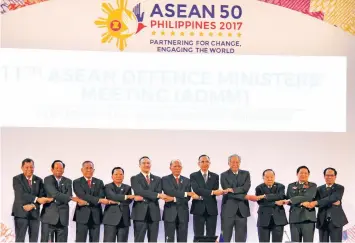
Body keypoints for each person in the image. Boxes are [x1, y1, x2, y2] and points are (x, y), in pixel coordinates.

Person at [41, 160, 87, 242]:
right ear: (52, 169)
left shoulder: (68, 181)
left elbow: (66, 198)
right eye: (57, 168)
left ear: (63, 170)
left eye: (61, 168)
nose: (59, 170)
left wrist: (53, 199)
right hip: (49, 218)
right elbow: (54, 193)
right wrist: (71, 198)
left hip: (63, 219)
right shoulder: (47, 179)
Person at [131, 156, 170, 242]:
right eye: (144, 163)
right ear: (139, 165)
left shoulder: (158, 179)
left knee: (153, 240)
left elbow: (158, 190)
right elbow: (139, 191)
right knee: (138, 239)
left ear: (151, 164)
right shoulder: (134, 178)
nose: (146, 165)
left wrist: (153, 194)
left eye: (148, 163)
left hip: (154, 213)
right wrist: (157, 195)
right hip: (139, 214)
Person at [12, 158, 52, 242]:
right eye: (27, 167)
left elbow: (43, 196)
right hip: (20, 214)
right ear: (22, 168)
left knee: (34, 239)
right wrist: (36, 198)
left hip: (34, 215)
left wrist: (33, 205)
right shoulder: (17, 179)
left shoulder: (39, 180)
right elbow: (21, 194)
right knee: (20, 239)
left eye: (31, 167)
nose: (29, 169)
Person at [162, 159, 200, 242]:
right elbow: (169, 191)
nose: (177, 168)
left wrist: (173, 198)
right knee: (169, 240)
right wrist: (186, 193)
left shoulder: (187, 180)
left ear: (182, 168)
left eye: (179, 166)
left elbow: (187, 199)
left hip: (183, 214)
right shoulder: (165, 179)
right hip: (169, 215)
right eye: (175, 166)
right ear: (170, 168)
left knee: (183, 240)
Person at [307, 167, 348, 242]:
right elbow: (316, 201)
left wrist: (319, 202)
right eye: (327, 175)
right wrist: (319, 202)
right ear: (324, 176)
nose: (329, 177)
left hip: (336, 221)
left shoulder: (339, 188)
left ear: (335, 176)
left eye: (331, 175)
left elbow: (334, 197)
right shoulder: (319, 189)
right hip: (322, 221)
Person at [73, 161, 110, 242]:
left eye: (91, 168)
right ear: (82, 170)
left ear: (94, 170)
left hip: (96, 215)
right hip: (82, 216)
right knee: (80, 240)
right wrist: (98, 200)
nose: (89, 170)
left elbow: (101, 196)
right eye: (86, 168)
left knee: (95, 240)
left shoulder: (99, 182)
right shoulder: (77, 182)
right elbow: (81, 195)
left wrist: (86, 202)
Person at [220, 154, 251, 242]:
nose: (235, 164)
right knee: (225, 238)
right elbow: (227, 191)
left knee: (241, 239)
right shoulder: (223, 175)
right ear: (228, 163)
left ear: (240, 163)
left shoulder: (246, 174)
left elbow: (246, 188)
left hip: (242, 211)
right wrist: (244, 196)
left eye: (237, 162)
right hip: (228, 211)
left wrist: (232, 189)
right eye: (232, 162)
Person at [190, 155, 222, 238]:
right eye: (202, 162)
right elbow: (196, 189)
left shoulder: (215, 176)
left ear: (210, 163)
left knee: (211, 235)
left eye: (207, 161)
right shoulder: (193, 175)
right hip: (198, 209)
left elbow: (215, 189)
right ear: (198, 163)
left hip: (211, 209)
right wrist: (212, 192)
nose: (205, 163)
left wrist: (209, 192)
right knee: (198, 235)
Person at [285, 166, 317, 242]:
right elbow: (288, 200)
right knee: (295, 241)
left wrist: (293, 200)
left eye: (306, 173)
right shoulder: (291, 186)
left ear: (309, 174)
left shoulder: (312, 185)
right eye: (301, 173)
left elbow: (309, 197)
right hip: (294, 218)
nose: (303, 175)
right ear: (297, 174)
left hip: (308, 218)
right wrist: (302, 203)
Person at [103, 167, 135, 242]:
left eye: (121, 174)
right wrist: (126, 197)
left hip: (124, 218)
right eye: (116, 174)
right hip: (110, 219)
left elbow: (129, 201)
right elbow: (112, 196)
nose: (118, 176)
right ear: (112, 176)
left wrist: (117, 201)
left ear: (123, 176)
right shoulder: (107, 186)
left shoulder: (128, 187)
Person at [255, 169, 288, 242]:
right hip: (263, 219)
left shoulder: (280, 186)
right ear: (263, 177)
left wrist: (265, 196)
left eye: (271, 177)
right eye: (267, 177)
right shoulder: (259, 188)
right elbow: (261, 202)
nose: (269, 179)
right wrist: (275, 202)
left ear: (274, 177)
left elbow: (281, 196)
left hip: (278, 219)